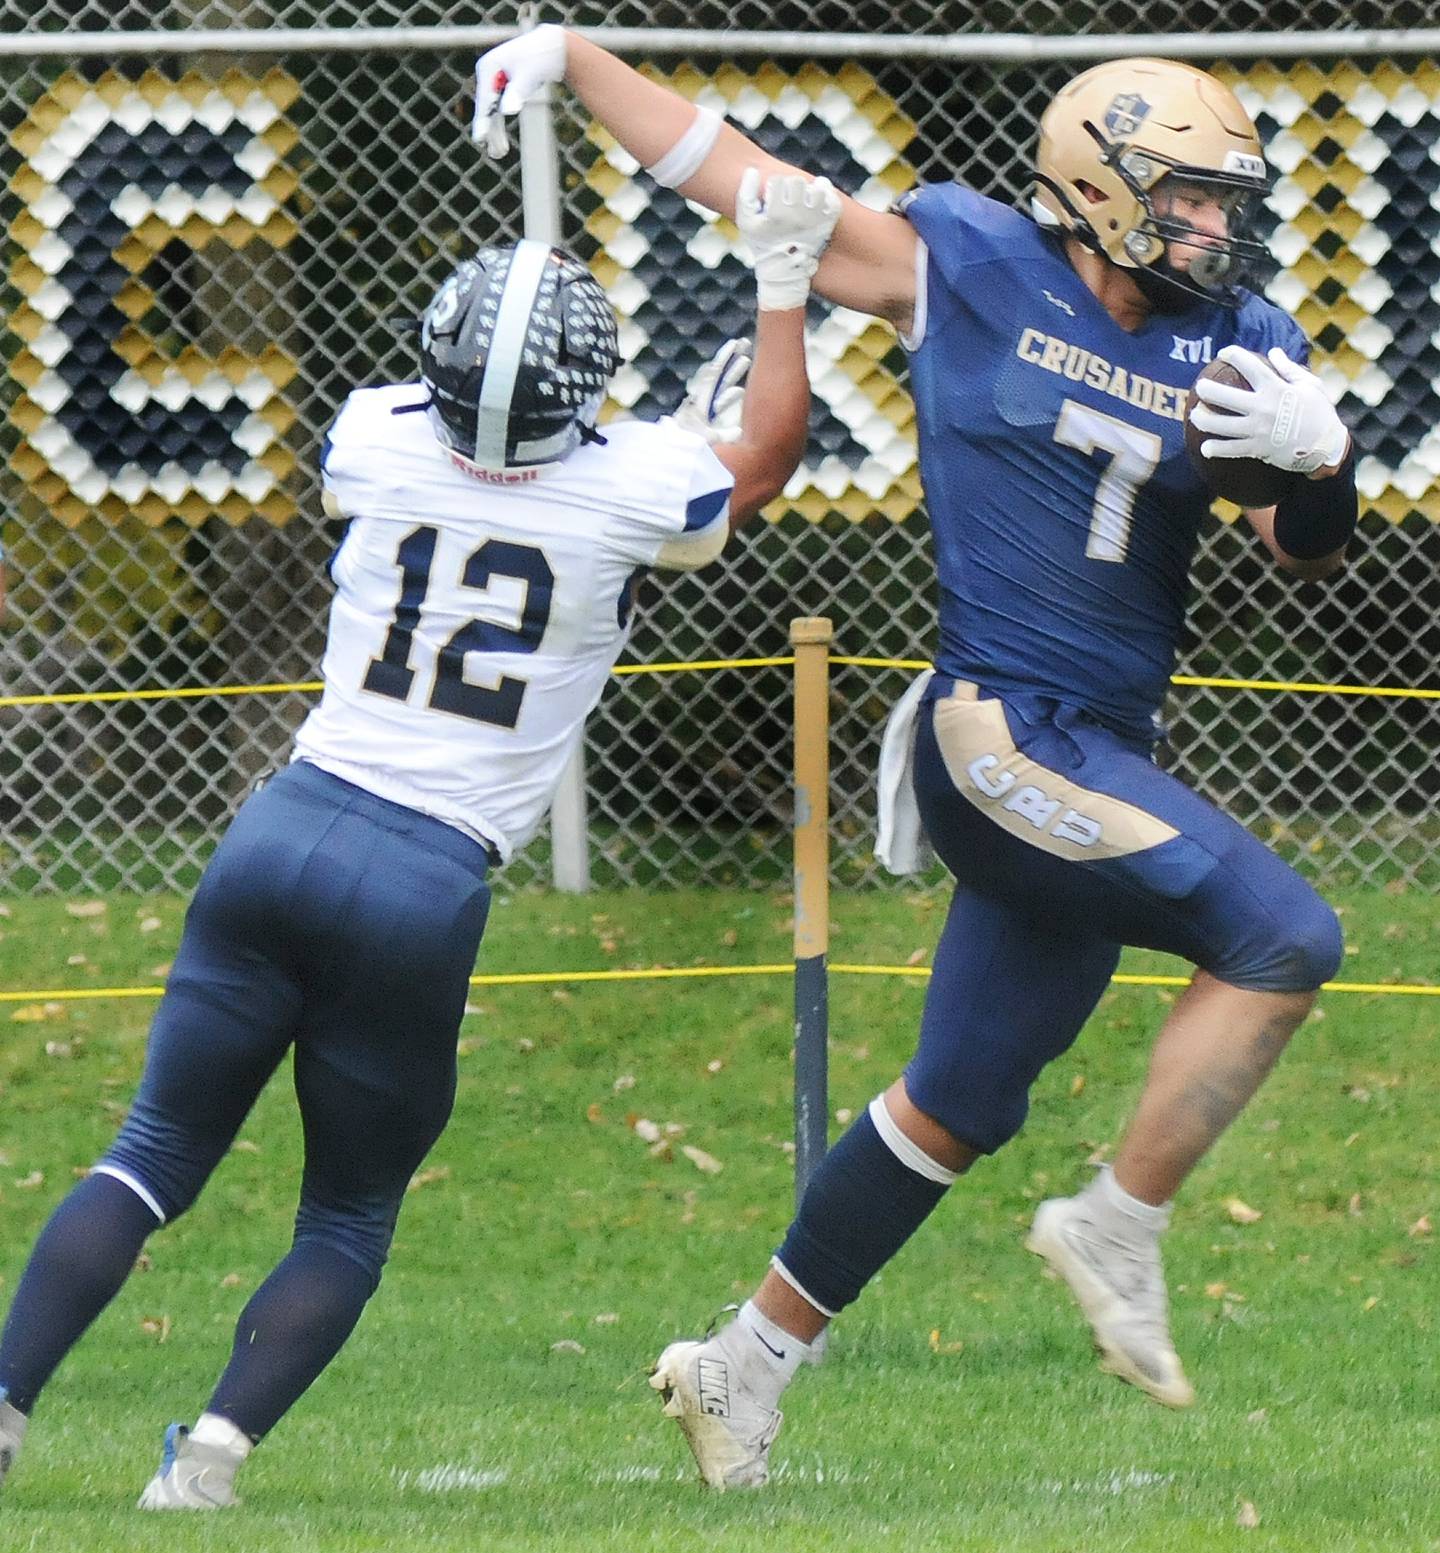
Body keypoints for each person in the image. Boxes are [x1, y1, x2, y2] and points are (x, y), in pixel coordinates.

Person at [472, 36, 1358, 1488]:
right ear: (1101, 191)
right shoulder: (968, 262)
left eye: (1223, 203)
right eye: (1189, 200)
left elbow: (1303, 551)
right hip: (997, 727)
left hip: (1096, 750)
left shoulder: (1237, 336)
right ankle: (1117, 1222)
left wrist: (1325, 463)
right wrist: (575, 56)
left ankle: (742, 1365)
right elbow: (739, 180)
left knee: (960, 1098)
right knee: (1285, 936)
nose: (1216, 228)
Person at [0, 171, 841, 1508]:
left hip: (281, 827)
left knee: (151, 1152)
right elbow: (760, 462)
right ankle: (204, 1465)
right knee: (345, 1211)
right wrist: (782, 288)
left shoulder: (371, 434)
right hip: (423, 874)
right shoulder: (638, 489)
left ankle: (2, 1407)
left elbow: (514, 462)